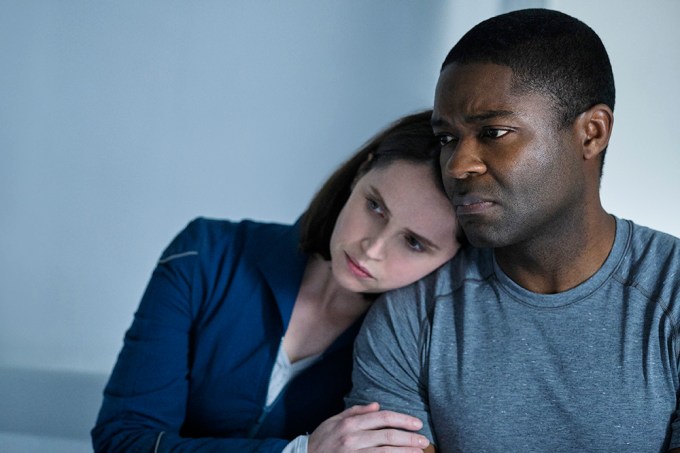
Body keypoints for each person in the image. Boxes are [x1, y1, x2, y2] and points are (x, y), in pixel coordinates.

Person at [347, 8, 680, 452]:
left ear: (592, 133)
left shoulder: (671, 292)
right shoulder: (412, 315)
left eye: (494, 132)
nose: (458, 166)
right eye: (447, 139)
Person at [91, 110, 463, 452]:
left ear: (452, 258)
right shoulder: (204, 255)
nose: (373, 249)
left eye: (414, 242)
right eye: (375, 206)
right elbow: (122, 438)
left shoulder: (418, 347)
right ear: (359, 175)